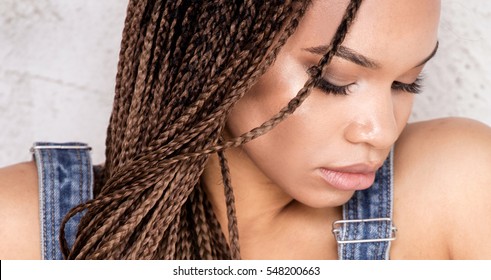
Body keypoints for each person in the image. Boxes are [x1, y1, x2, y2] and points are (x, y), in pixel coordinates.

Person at [1, 0, 491, 260]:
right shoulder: (28, 228)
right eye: (334, 81)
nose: (381, 131)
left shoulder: (458, 185)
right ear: (216, 57)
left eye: (408, 83)